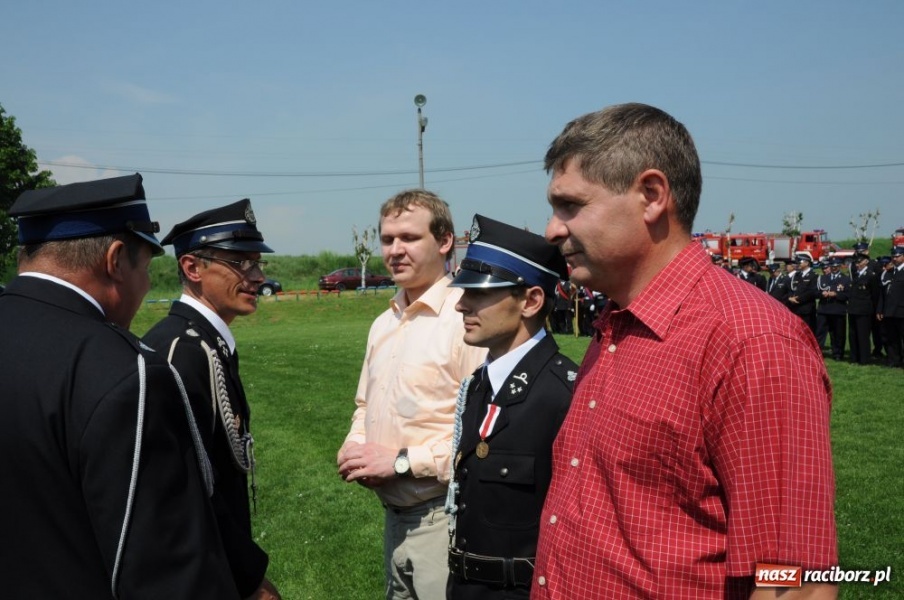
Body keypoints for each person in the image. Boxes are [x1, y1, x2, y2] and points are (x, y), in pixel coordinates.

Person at [534, 103, 837, 599]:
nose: (552, 229)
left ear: (652, 196)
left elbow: (794, 583)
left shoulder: (752, 343)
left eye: (571, 206)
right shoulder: (616, 325)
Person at [0, 174, 239, 599]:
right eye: (145, 268)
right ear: (115, 260)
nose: (146, 286)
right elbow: (165, 572)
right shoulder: (124, 372)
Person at [336, 189, 487, 600]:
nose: (395, 250)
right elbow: (364, 404)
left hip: (444, 519)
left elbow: (481, 435)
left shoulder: (466, 319)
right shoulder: (382, 323)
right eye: (387, 240)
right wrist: (356, 446)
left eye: (409, 238)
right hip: (393, 519)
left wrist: (400, 463)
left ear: (444, 242)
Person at [142, 199, 281, 600]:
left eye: (258, 263)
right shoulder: (183, 351)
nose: (257, 276)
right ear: (192, 268)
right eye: (241, 263)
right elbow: (186, 491)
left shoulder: (205, 343)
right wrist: (249, 580)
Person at [444, 215, 578, 600]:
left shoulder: (562, 394)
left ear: (531, 301)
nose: (461, 305)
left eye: (480, 293)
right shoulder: (478, 384)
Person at [848, 253, 881, 365]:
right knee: (853, 335)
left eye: (859, 262)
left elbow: (875, 295)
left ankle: (864, 359)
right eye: (856, 262)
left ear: (866, 262)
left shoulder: (871, 276)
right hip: (852, 309)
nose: (857, 264)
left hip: (864, 311)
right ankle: (854, 357)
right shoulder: (856, 275)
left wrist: (876, 310)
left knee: (863, 336)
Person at [816, 258, 850, 360]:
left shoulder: (845, 279)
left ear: (840, 266)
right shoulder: (822, 278)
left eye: (836, 266)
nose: (834, 268)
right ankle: (818, 352)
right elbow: (815, 292)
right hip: (824, 309)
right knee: (820, 333)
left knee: (838, 334)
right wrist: (822, 294)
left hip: (838, 310)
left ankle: (838, 353)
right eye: (832, 266)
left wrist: (836, 294)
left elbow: (847, 295)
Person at [877, 246, 904, 368]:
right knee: (892, 337)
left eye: (897, 256)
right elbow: (883, 294)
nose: (895, 258)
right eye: (893, 256)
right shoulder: (888, 272)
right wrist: (880, 309)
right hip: (889, 310)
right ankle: (894, 360)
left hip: (901, 310)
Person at [787, 255, 819, 335]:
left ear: (807, 263)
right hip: (795, 308)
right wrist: (790, 298)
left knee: (807, 332)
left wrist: (798, 299)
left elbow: (811, 292)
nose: (798, 264)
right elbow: (791, 288)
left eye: (799, 262)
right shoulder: (796, 275)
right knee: (796, 331)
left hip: (806, 309)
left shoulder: (814, 275)